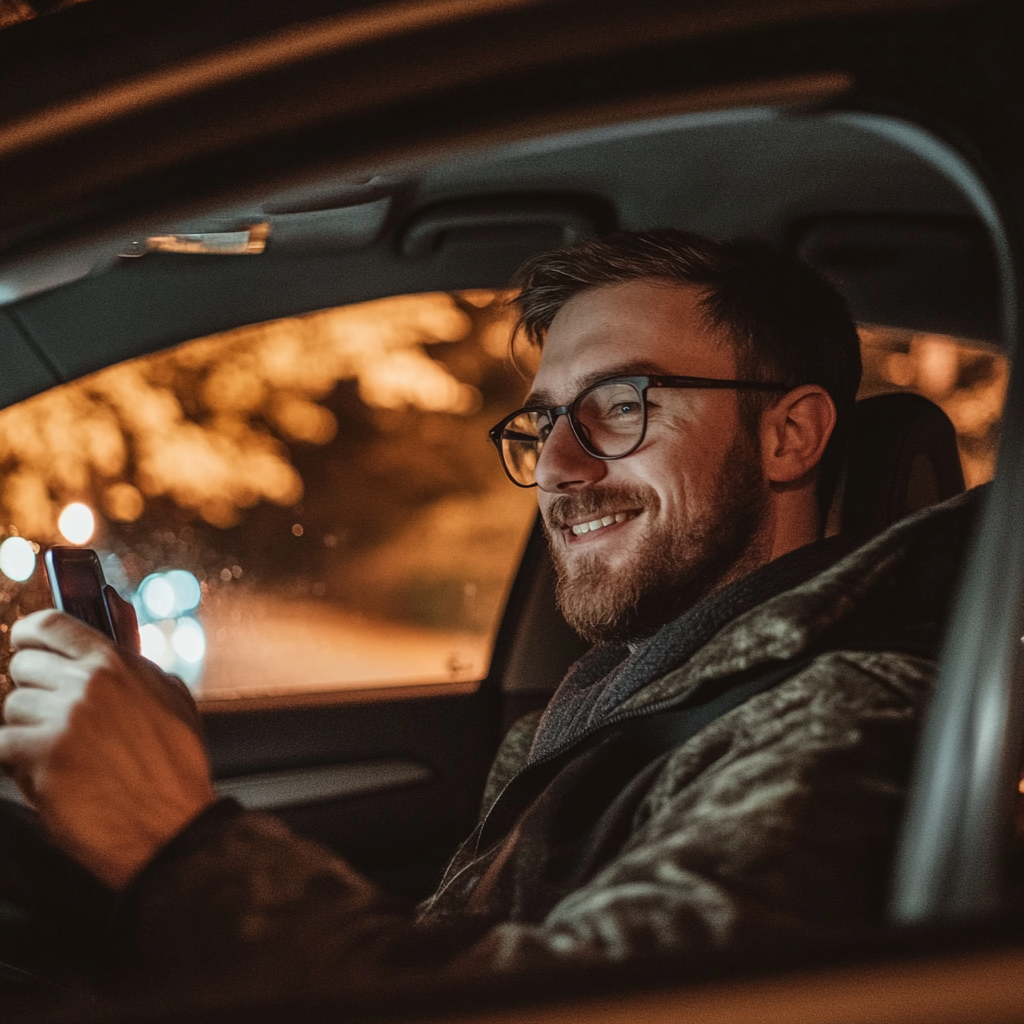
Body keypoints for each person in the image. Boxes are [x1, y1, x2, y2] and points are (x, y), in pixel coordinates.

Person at [0, 231, 977, 1001]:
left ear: (789, 433)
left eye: (620, 404)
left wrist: (173, 843)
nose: (556, 468)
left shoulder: (843, 711)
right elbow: (450, 957)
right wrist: (89, 849)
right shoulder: (599, 706)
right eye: (545, 420)